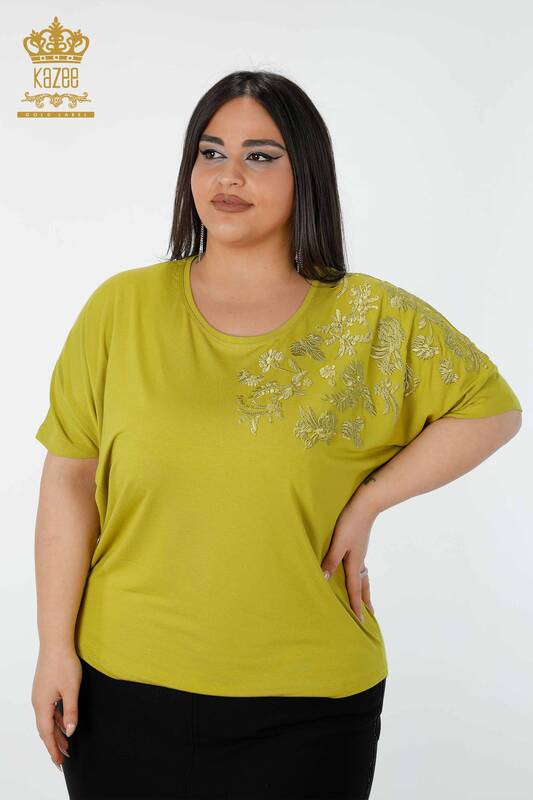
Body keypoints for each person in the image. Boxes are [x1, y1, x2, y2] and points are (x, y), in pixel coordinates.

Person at [31, 70, 523, 800]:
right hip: (121, 690)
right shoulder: (120, 309)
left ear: (306, 173)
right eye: (211, 152)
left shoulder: (370, 319)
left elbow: (492, 410)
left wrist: (369, 500)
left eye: (260, 156)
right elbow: (70, 478)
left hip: (311, 705)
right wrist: (54, 647)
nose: (228, 176)